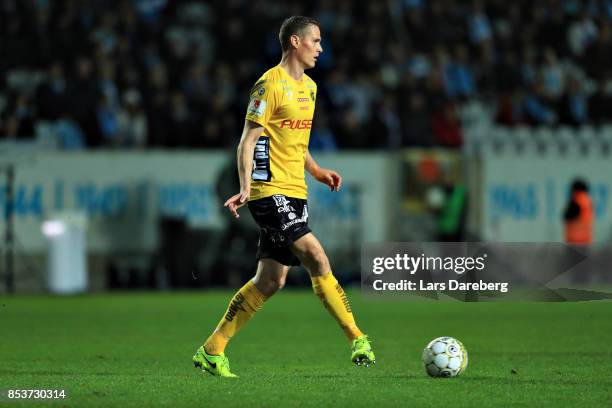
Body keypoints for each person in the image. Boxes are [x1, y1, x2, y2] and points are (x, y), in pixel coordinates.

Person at [192, 16, 375, 378]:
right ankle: (357, 338)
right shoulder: (268, 85)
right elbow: (248, 139)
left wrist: (317, 170)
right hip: (268, 190)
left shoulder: (310, 88)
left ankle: (212, 350)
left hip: (295, 190)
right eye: (316, 41)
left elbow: (295, 141)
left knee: (272, 280)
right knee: (316, 256)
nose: (321, 49)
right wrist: (246, 186)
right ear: (295, 42)